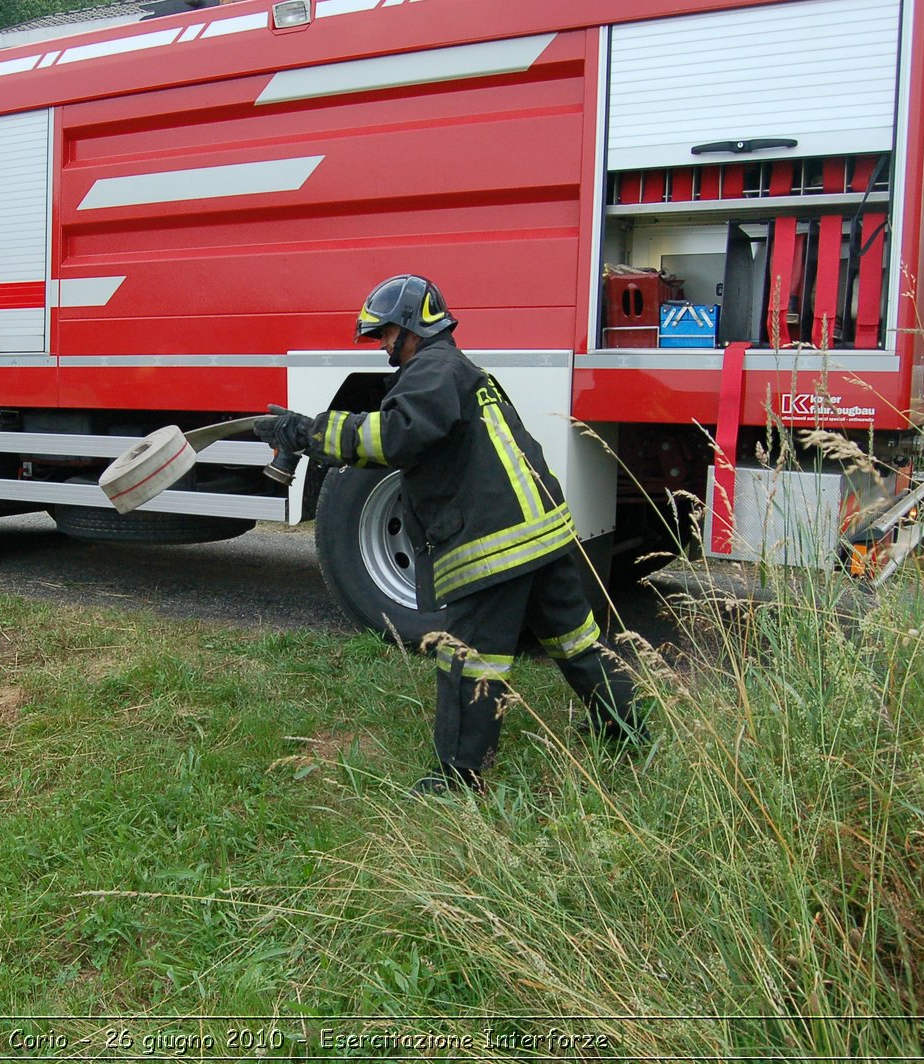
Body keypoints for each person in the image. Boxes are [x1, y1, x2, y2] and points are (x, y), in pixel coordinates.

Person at [256, 275, 646, 796]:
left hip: (498, 545)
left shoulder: (429, 371)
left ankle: (460, 779)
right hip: (545, 535)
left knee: (467, 661)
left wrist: (308, 433)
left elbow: (393, 437)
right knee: (576, 641)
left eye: (385, 334)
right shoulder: (460, 369)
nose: (383, 347)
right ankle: (626, 728)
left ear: (411, 327)